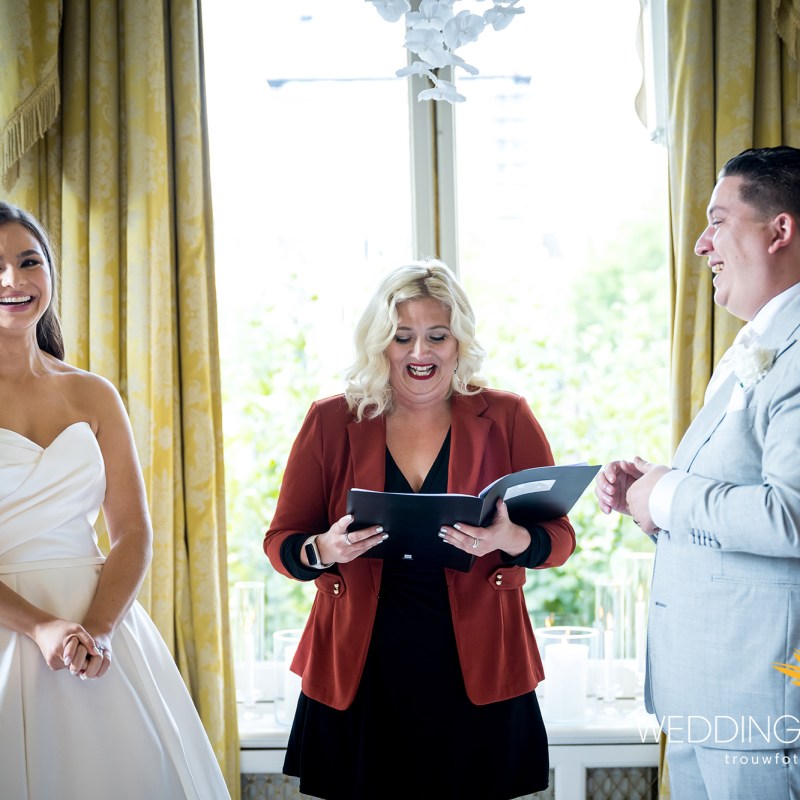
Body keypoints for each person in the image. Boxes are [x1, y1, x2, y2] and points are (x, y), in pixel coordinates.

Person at [263, 259, 576, 800]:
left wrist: (511, 539)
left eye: (437, 336)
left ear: (459, 343)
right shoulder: (331, 421)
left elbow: (561, 539)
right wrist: (324, 547)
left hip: (478, 669)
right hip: (360, 674)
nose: (420, 353)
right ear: (379, 343)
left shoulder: (506, 416)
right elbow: (281, 543)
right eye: (402, 337)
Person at [0, 202, 230, 800]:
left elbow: (132, 530)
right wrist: (42, 627)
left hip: (101, 627)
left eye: (29, 262)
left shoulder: (92, 394)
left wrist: (97, 630)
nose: (13, 281)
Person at [595, 146, 800, 799]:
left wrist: (673, 492)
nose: (700, 243)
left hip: (763, 705)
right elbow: (734, 508)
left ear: (780, 230)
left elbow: (791, 515)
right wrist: (649, 498)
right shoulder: (753, 345)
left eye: (717, 220)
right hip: (709, 698)